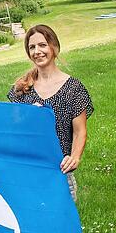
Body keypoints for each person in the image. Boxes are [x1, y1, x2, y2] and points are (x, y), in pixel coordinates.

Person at [8, 24, 93, 202]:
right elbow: (11, 129)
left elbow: (80, 131)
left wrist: (75, 157)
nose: (37, 51)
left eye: (42, 45)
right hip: (27, 172)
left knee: (60, 226)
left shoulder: (73, 88)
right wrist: (28, 116)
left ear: (54, 47)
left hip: (59, 174)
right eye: (32, 47)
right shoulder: (22, 89)